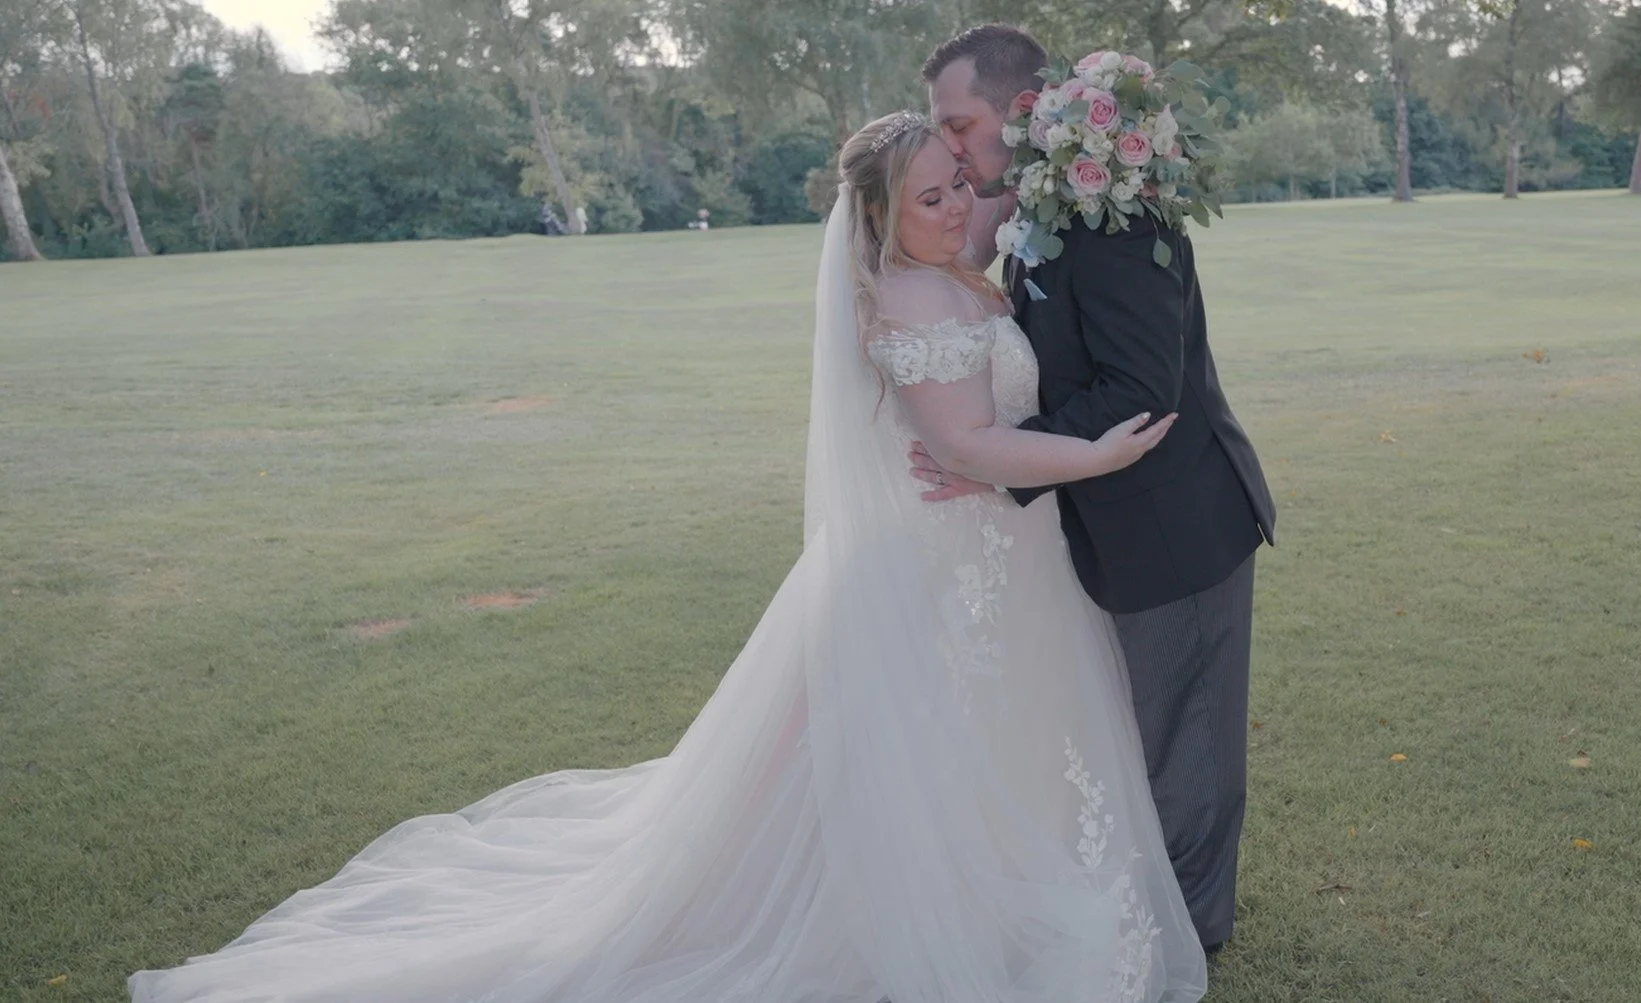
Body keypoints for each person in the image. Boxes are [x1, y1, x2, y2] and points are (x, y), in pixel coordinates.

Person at [128, 111, 1209, 1003]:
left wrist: (1071, 164)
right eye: (932, 196)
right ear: (877, 218)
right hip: (948, 569)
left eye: (959, 185)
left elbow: (996, 236)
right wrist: (1095, 454)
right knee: (928, 761)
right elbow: (965, 443)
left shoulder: (952, 253)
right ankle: (930, 921)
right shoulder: (913, 295)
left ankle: (1000, 897)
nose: (960, 206)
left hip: (1001, 558)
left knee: (1007, 745)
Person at [920, 24, 1277, 955]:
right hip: (1107, 521)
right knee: (1132, 740)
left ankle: (1190, 941)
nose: (951, 148)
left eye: (959, 125)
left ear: (1021, 109)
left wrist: (1001, 455)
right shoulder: (1041, 202)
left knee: (1185, 751)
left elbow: (1141, 392)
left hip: (1174, 524)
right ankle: (1144, 910)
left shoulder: (1112, 214)